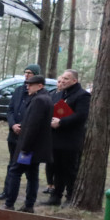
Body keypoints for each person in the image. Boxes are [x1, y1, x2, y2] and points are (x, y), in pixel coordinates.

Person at [2, 75, 53, 213]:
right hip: (34, 147)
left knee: (15, 172)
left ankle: (9, 203)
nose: (27, 87)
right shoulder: (44, 98)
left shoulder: (39, 100)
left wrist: (24, 148)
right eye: (27, 84)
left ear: (40, 86)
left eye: (31, 84)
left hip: (29, 147)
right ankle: (29, 205)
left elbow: (33, 126)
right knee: (32, 174)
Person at [43, 69, 91, 207]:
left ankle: (70, 197)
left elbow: (81, 115)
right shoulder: (61, 94)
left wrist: (61, 122)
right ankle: (55, 197)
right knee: (57, 169)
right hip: (56, 138)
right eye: (62, 78)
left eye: (66, 79)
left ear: (74, 81)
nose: (62, 81)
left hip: (71, 140)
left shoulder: (82, 95)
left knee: (70, 170)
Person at [0, 64, 40, 202]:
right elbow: (10, 110)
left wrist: (23, 128)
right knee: (12, 164)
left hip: (26, 138)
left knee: (26, 168)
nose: (26, 75)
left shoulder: (37, 95)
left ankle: (28, 198)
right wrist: (12, 124)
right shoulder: (19, 90)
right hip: (13, 136)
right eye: (25, 72)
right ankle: (7, 191)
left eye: (30, 73)